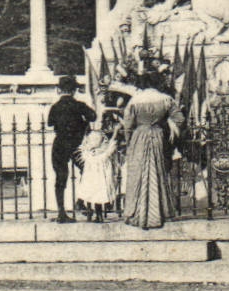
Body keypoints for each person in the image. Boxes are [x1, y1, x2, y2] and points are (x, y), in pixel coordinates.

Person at [118, 69, 181, 229]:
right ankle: (159, 212)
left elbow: (127, 125)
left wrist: (128, 142)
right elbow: (179, 119)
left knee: (138, 173)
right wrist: (167, 128)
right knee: (158, 170)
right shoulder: (166, 99)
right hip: (158, 135)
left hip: (139, 136)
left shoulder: (134, 101)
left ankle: (136, 212)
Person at [46, 74, 95, 223]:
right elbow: (93, 116)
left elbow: (50, 123)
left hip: (60, 144)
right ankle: (81, 201)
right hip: (77, 145)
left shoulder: (55, 107)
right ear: (74, 90)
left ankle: (61, 213)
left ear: (59, 90)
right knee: (87, 171)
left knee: (60, 178)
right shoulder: (79, 105)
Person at [72, 115, 122, 223]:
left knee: (91, 192)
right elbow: (111, 146)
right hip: (100, 177)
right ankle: (98, 214)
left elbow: (83, 146)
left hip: (90, 177)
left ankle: (88, 209)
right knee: (99, 195)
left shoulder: (88, 156)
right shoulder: (102, 156)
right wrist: (115, 132)